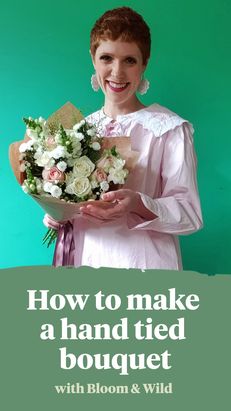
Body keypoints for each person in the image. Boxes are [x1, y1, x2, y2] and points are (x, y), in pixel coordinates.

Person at [44, 6, 203, 269]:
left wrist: (137, 204)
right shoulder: (75, 129)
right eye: (107, 58)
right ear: (93, 58)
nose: (117, 72)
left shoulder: (169, 129)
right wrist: (56, 213)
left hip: (142, 266)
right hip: (85, 261)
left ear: (144, 63)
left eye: (129, 60)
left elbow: (190, 215)